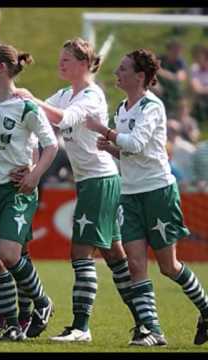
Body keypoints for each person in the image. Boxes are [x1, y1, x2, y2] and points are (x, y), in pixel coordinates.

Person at [16, 38, 139, 343]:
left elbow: (60, 118)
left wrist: (30, 98)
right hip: (92, 181)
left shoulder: (92, 96)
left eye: (66, 60)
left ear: (83, 64)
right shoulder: (64, 94)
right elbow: (39, 117)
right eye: (61, 59)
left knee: (81, 252)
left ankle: (81, 327)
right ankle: (147, 322)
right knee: (113, 255)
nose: (60, 64)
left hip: (100, 180)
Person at [85, 48, 208, 346]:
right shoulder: (123, 109)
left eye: (124, 68)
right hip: (130, 194)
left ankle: (206, 309)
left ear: (140, 76)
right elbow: (129, 151)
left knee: (169, 266)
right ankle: (152, 330)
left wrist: (105, 131)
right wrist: (111, 148)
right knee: (135, 265)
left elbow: (137, 144)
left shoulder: (152, 106)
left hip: (158, 192)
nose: (117, 72)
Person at [0, 43, 59, 341]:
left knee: (9, 254)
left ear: (1, 68)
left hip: (16, 190)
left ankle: (42, 302)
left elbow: (52, 146)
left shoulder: (26, 106)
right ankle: (11, 321)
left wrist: (34, 175)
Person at [152, 39, 187, 118]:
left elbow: (181, 77)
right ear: (169, 50)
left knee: (181, 97)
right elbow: (150, 73)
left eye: (179, 50)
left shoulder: (180, 62)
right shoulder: (159, 59)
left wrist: (162, 72)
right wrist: (155, 83)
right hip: (159, 86)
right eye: (175, 50)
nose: (178, 52)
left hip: (173, 88)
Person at [190, 46, 208, 124]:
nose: (198, 59)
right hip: (199, 95)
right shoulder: (194, 68)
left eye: (200, 57)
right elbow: (195, 86)